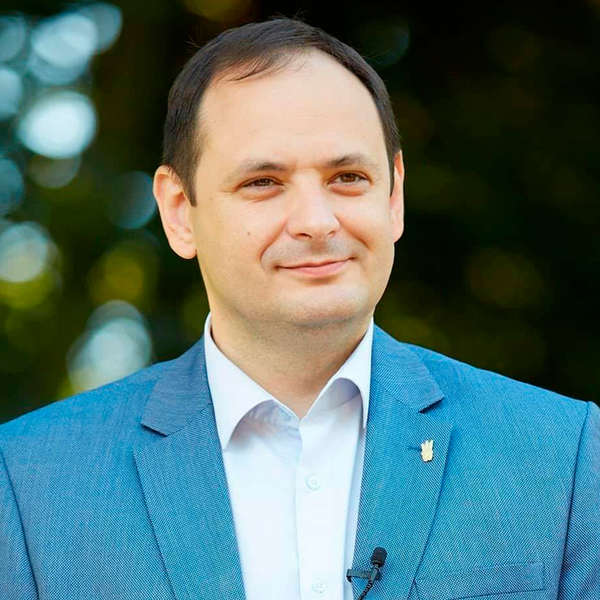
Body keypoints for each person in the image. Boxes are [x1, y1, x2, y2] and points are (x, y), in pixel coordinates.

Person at [1, 16, 598, 600]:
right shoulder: (29, 484)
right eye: (263, 182)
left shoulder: (562, 456)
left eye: (348, 177)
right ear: (180, 211)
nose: (317, 221)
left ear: (394, 196)